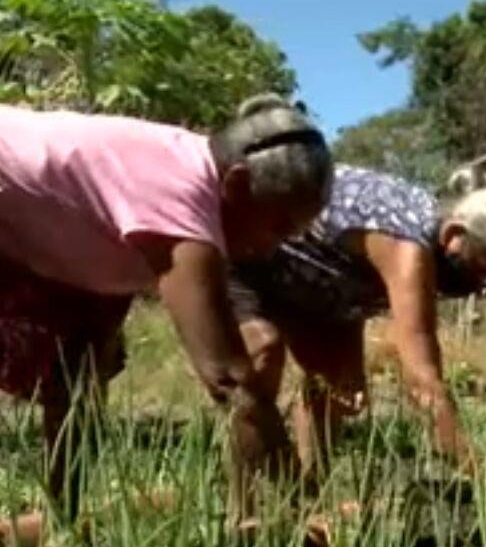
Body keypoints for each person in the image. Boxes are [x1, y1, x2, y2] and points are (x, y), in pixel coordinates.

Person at [0, 94, 334, 522]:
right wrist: (302, 501)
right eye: (277, 228)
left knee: (81, 372)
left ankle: (64, 528)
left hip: (27, 236)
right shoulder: (178, 201)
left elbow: (82, 365)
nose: (273, 248)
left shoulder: (164, 184)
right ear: (235, 185)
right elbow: (229, 378)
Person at [228, 165, 486, 481]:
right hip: (250, 245)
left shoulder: (426, 237)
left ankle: (311, 491)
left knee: (338, 389)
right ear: (453, 235)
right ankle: (248, 513)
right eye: (479, 269)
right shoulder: (408, 247)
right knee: (261, 356)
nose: (478, 283)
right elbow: (422, 384)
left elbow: (354, 280)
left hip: (318, 282)